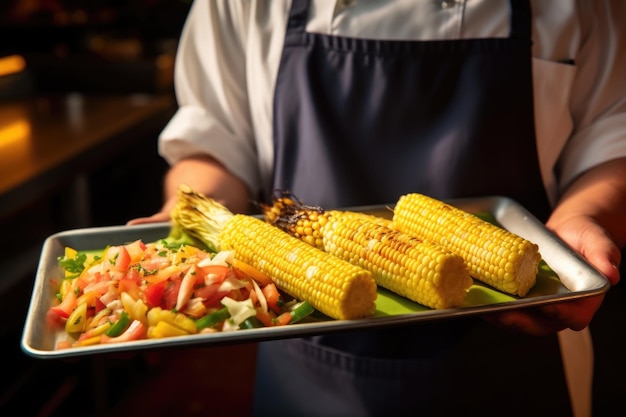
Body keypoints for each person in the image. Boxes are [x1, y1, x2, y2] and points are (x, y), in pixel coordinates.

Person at [128, 1, 626, 416]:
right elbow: (214, 144)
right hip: (304, 362)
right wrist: (183, 215)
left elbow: (612, 140)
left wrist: (586, 217)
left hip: (520, 363)